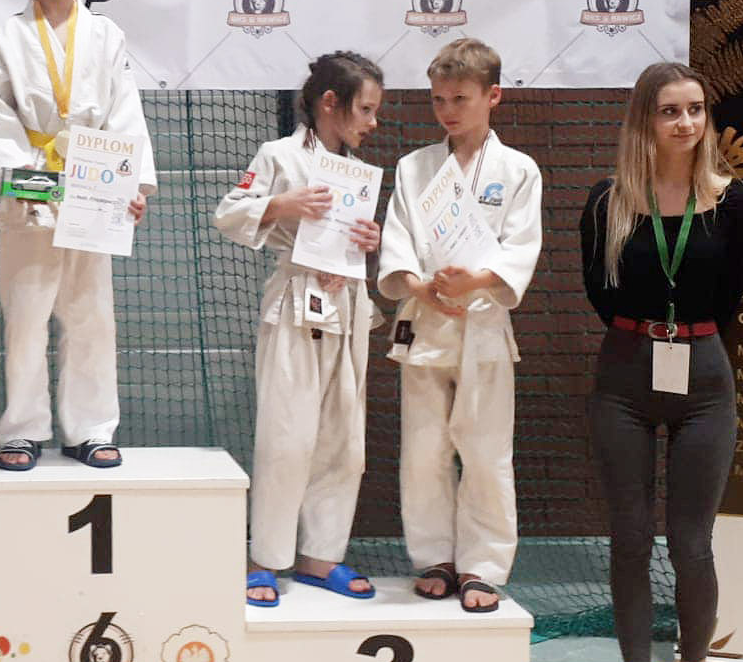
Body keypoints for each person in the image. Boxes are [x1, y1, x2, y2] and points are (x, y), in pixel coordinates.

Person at [580, 62, 743, 662]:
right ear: (644, 121)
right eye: (669, 111)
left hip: (704, 379)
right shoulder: (607, 201)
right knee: (628, 534)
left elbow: (730, 296)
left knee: (689, 539)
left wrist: (685, 335)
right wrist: (648, 333)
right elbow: (599, 293)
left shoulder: (732, 201)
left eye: (695, 109)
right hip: (624, 375)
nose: (685, 122)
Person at [0, 0, 155, 471]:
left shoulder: (106, 35)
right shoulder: (7, 39)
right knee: (26, 316)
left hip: (93, 189)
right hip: (32, 192)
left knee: (91, 315)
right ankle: (22, 429)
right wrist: (34, 183)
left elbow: (125, 115)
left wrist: (131, 187)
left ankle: (91, 428)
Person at [377, 39, 543, 612]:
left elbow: (521, 245)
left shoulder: (518, 170)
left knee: (486, 450)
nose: (448, 110)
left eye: (461, 98)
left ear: (492, 96)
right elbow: (397, 238)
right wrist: (418, 285)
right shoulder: (414, 167)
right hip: (425, 320)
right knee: (423, 449)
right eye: (439, 99)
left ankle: (482, 566)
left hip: (483, 323)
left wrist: (476, 281)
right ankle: (435, 558)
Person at [214, 52, 385, 606]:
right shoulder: (278, 155)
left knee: (345, 439)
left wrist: (367, 243)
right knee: (287, 435)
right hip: (293, 303)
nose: (373, 122)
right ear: (330, 103)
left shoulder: (357, 172)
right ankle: (265, 558)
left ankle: (320, 556)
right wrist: (279, 205)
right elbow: (228, 213)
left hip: (349, 304)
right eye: (365, 109)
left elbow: (354, 238)